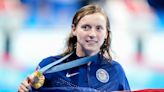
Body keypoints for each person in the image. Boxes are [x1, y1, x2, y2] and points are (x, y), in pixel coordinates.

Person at [18, 4, 130, 92]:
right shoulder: (48, 68)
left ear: (106, 34)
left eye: (99, 28)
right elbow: (30, 87)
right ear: (74, 29)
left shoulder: (115, 71)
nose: (92, 34)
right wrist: (24, 89)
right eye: (86, 27)